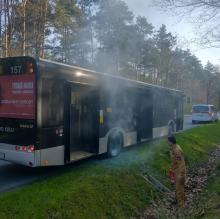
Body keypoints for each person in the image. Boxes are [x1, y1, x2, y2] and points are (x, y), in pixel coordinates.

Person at [168, 135, 186, 207]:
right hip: (176, 171)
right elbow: (175, 162)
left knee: (179, 189)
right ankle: (180, 201)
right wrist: (172, 170)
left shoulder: (177, 150)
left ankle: (181, 206)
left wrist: (181, 175)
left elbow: (181, 163)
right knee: (178, 188)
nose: (167, 143)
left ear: (171, 142)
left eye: (168, 141)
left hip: (180, 172)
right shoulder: (174, 148)